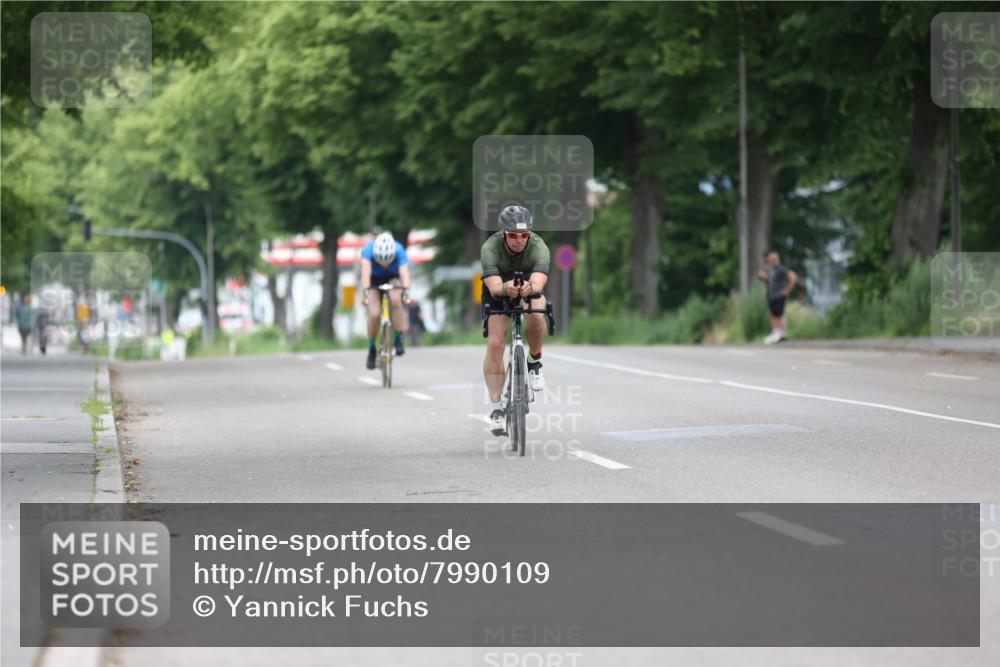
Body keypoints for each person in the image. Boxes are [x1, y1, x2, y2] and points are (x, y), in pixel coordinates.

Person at [480, 205, 550, 435]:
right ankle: (496, 408)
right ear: (502, 233)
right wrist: (505, 288)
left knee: (537, 312)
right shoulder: (490, 248)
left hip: (528, 288)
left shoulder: (539, 247)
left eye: (524, 235)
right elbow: (493, 286)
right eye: (513, 235)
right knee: (495, 343)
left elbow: (539, 284)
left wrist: (530, 288)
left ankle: (534, 360)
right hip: (498, 290)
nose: (519, 240)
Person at [360, 231, 411, 369]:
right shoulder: (368, 251)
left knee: (396, 300)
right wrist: (366, 293)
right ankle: (371, 349)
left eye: (387, 262)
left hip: (392, 277)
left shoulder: (399, 250)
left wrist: (405, 291)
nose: (384, 266)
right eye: (380, 262)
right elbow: (365, 275)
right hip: (374, 280)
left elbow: (404, 274)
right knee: (374, 313)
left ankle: (398, 338)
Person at [757, 250, 798, 344]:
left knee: (780, 314)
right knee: (774, 315)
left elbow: (793, 277)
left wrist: (787, 289)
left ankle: (783, 334)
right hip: (771, 295)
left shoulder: (781, 269)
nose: (772, 260)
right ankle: (776, 333)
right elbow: (761, 275)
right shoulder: (770, 269)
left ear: (777, 258)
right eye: (771, 258)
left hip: (779, 295)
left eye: (774, 258)